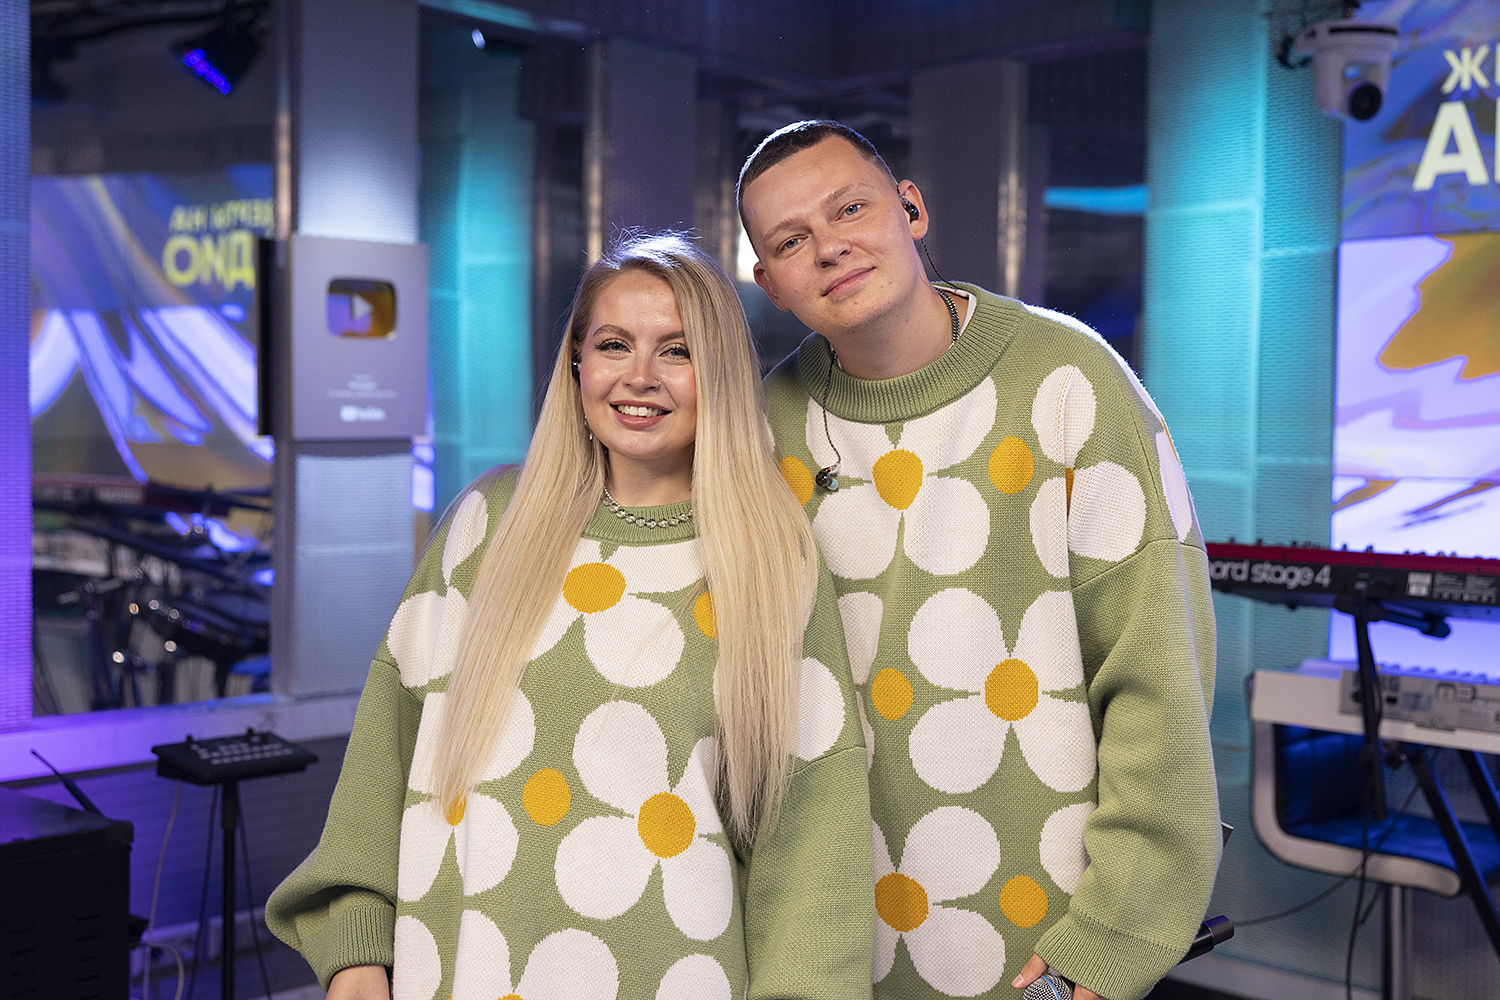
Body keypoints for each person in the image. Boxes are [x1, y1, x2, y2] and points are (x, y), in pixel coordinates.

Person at [266, 233, 875, 1000]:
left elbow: (814, 844)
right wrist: (355, 946)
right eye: (614, 344)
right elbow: (385, 753)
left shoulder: (770, 562)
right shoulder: (488, 525)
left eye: (678, 351)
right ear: (578, 362)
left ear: (718, 372)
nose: (640, 376)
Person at [738, 121, 1220, 1000]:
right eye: (791, 241)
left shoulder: (1072, 381)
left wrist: (1117, 932)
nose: (830, 247)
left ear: (911, 209)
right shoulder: (765, 427)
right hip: (826, 943)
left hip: (1040, 944)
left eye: (850, 209)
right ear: (768, 282)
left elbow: (1159, 676)